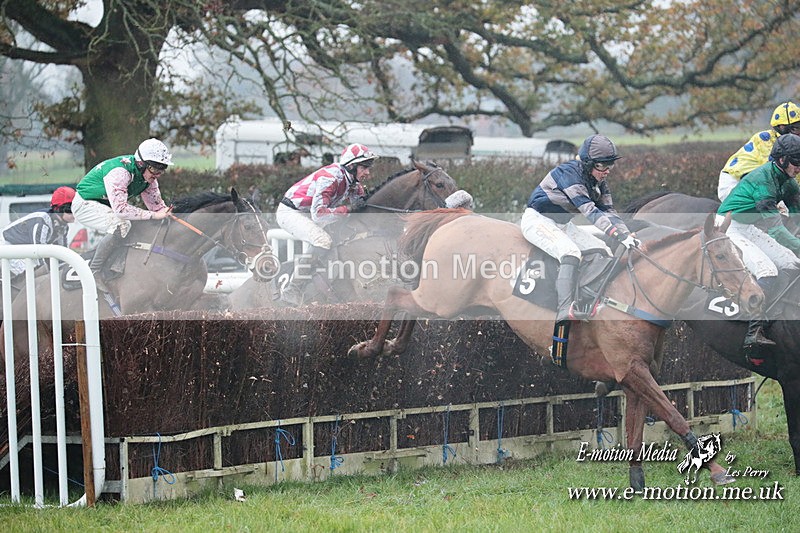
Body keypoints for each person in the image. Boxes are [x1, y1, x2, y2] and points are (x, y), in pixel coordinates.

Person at [522, 134, 640, 326]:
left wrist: (626, 234)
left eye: (610, 165)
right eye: (602, 165)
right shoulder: (570, 175)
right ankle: (564, 308)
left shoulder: (599, 182)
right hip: (537, 220)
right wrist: (618, 235)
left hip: (562, 224)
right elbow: (590, 211)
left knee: (603, 250)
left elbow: (609, 211)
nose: (607, 171)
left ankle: (590, 298)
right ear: (587, 163)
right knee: (571, 253)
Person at [717, 133, 800, 350]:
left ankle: (774, 310)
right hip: (727, 227)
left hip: (747, 226)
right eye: (796, 161)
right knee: (767, 270)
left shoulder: (788, 182)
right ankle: (753, 330)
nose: (799, 167)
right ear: (781, 160)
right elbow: (777, 231)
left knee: (791, 263)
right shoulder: (764, 180)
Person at [275, 143, 378, 304]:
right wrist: (348, 209)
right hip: (291, 212)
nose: (368, 172)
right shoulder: (330, 178)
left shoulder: (353, 183)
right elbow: (319, 215)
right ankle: (292, 289)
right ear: (351, 165)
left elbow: (361, 207)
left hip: (309, 213)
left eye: (368, 168)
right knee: (322, 240)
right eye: (364, 167)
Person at [72, 138, 173, 292]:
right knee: (122, 224)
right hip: (85, 204)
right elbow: (121, 210)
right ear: (141, 163)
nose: (158, 174)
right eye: (154, 168)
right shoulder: (120, 172)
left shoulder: (148, 179)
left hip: (105, 205)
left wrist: (170, 215)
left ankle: (117, 263)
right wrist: (153, 215)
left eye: (162, 168)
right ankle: (94, 271)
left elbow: (158, 208)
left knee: (136, 222)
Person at [718, 101, 800, 202]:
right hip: (734, 183)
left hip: (755, 183)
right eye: (797, 128)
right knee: (781, 207)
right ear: (783, 128)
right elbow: (776, 171)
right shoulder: (766, 140)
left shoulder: (790, 144)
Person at [0, 186, 76, 289]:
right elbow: (38, 254)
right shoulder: (43, 221)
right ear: (58, 209)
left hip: (23, 248)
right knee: (32, 275)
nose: (74, 213)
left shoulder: (64, 227)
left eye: (76, 208)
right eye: (70, 209)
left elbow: (62, 257)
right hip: (7, 244)